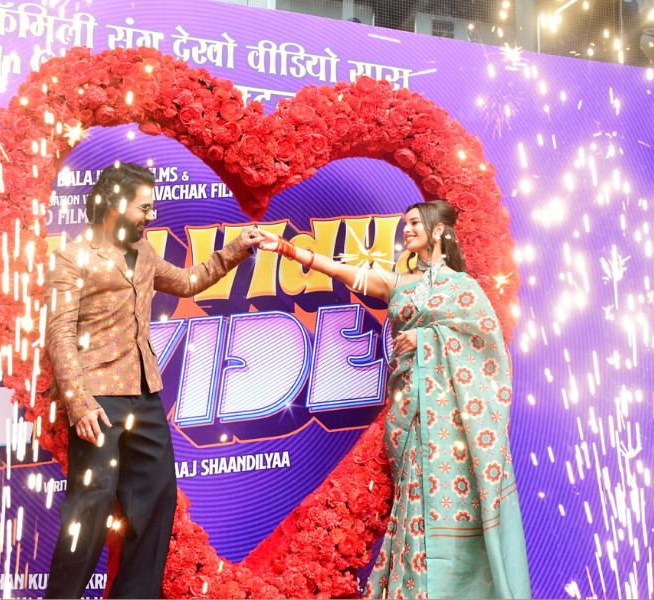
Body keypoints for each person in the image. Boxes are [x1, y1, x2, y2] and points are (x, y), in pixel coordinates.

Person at [258, 200, 530, 599]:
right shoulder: (400, 283)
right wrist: (286, 249)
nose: (408, 229)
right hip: (410, 418)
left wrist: (427, 337)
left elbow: (487, 348)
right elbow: (344, 272)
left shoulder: (464, 288)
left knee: (450, 508)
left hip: (450, 427)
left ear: (439, 230)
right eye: (405, 224)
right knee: (414, 507)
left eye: (416, 223)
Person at [43, 162, 262, 599]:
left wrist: (238, 248)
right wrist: (79, 402)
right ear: (115, 205)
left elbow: (189, 281)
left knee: (157, 498)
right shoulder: (72, 258)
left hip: (144, 393)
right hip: (97, 397)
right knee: (92, 504)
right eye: (143, 208)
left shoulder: (144, 252)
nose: (150, 216)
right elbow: (60, 333)